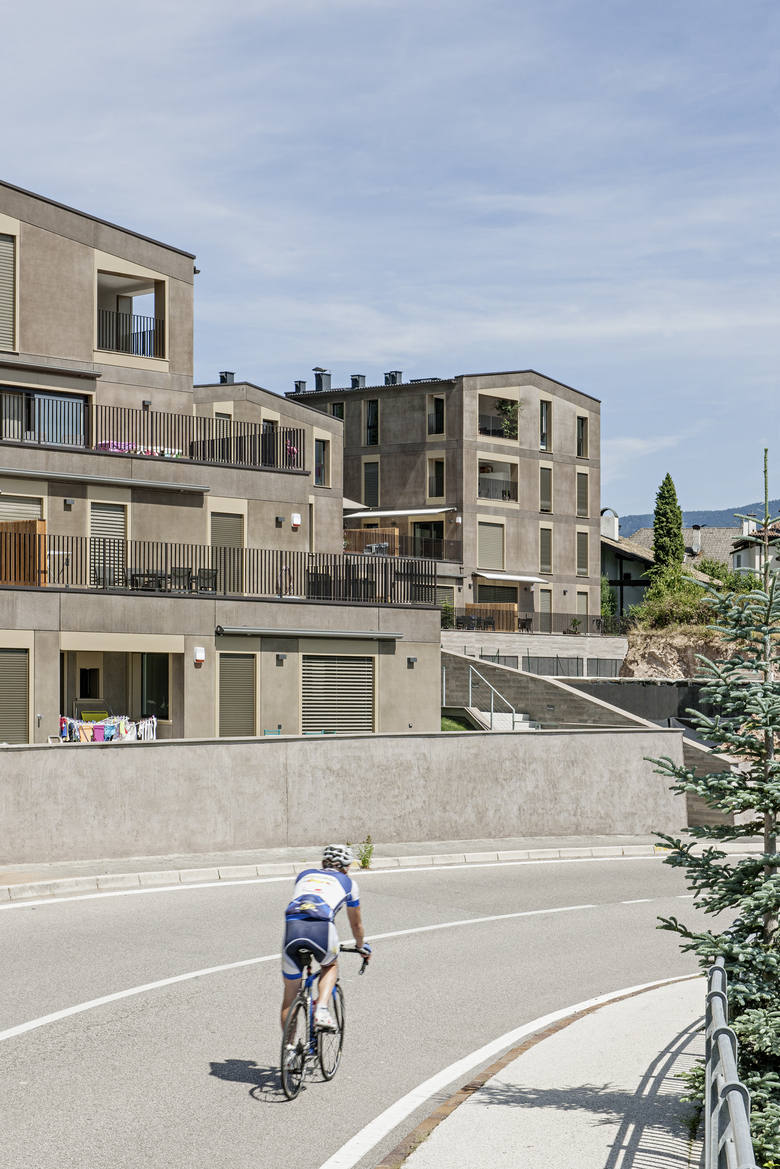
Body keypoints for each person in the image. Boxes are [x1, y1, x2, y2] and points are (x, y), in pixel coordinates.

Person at [281, 844, 372, 1032]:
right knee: (330, 965)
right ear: (347, 868)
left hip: (292, 926)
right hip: (321, 928)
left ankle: (288, 1048)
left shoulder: (304, 875)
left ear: (323, 863)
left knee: (290, 995)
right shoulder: (349, 884)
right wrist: (361, 946)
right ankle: (321, 1010)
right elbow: (356, 925)